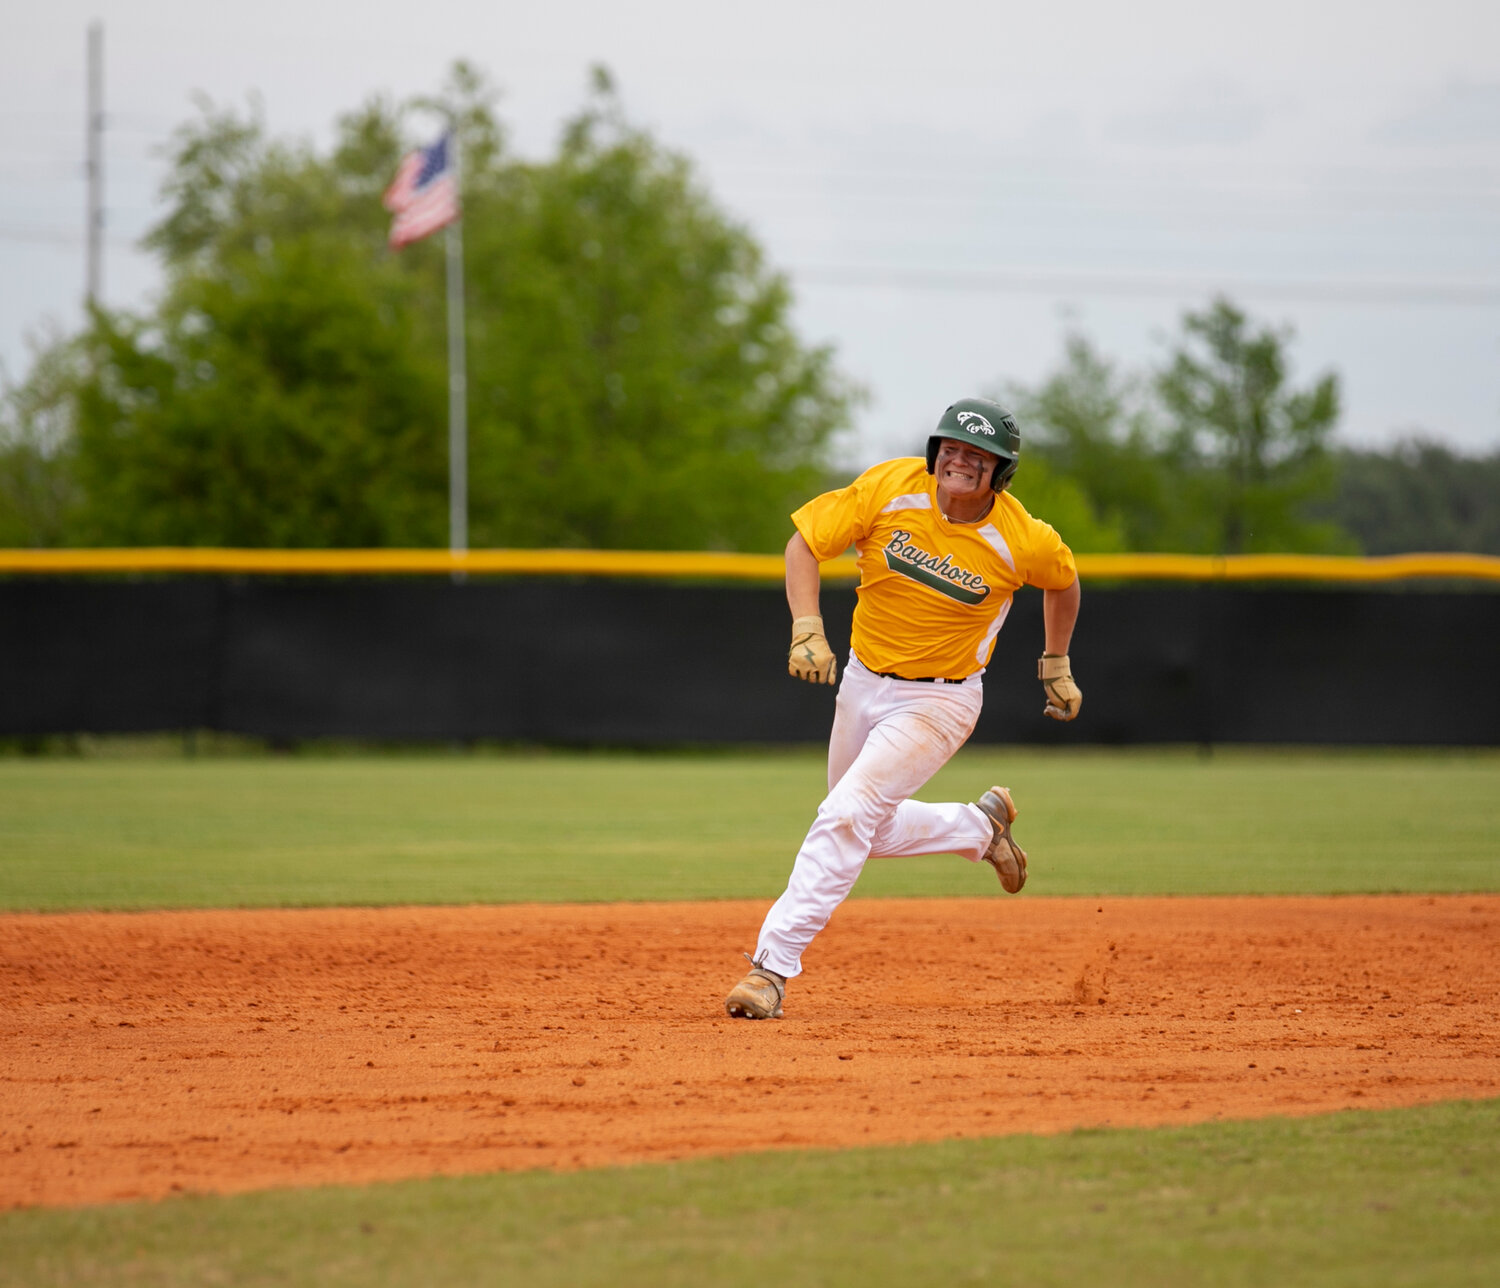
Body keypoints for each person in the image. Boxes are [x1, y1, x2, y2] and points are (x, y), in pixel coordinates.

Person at [725, 397, 1083, 1020]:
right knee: (866, 827)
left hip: (938, 699)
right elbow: (805, 545)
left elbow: (1064, 581)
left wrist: (1056, 662)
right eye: (952, 447)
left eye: (978, 456)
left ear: (1001, 472)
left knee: (845, 814)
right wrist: (806, 624)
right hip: (863, 682)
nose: (960, 461)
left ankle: (771, 969)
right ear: (934, 451)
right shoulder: (890, 487)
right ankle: (980, 828)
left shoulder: (1022, 537)